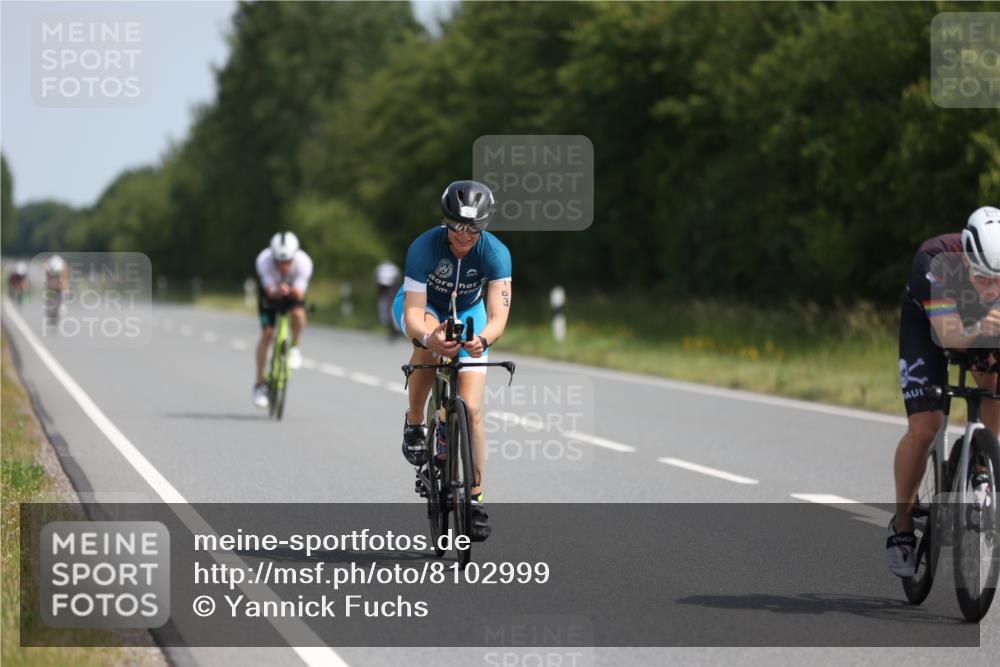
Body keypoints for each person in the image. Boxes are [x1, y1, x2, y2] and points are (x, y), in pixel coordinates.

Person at [394, 180, 512, 541]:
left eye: (474, 227)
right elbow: (414, 314)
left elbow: (498, 316)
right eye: (458, 226)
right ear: (446, 221)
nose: (465, 234)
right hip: (426, 306)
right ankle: (415, 424)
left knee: (473, 411)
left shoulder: (496, 254)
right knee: (429, 345)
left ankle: (475, 498)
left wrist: (482, 340)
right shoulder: (423, 248)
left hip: (470, 312)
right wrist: (430, 336)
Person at [890, 205, 1000, 577]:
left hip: (979, 320)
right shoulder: (934, 262)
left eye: (999, 279)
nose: (992, 287)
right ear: (967, 257)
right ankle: (903, 525)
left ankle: (984, 466)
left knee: (993, 386)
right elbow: (950, 335)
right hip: (931, 323)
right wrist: (985, 320)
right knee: (925, 427)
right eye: (984, 277)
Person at [253, 232, 313, 408]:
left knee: (298, 314)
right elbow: (269, 290)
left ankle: (295, 347)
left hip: (293, 291)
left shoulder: (304, 262)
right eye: (279, 261)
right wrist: (277, 290)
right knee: (267, 333)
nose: (283, 266)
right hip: (270, 294)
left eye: (287, 261)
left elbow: (300, 292)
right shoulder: (263, 261)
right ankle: (258, 385)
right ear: (273, 256)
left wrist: (290, 290)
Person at [374, 259, 401, 339]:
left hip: (392, 297)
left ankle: (394, 330)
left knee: (391, 312)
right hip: (386, 298)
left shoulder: (393, 276)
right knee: (385, 314)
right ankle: (391, 329)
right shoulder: (381, 277)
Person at [43, 254, 68, 322]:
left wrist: (63, 291)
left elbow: (64, 281)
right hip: (50, 272)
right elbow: (47, 281)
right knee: (50, 285)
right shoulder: (48, 267)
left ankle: (62, 303)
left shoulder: (63, 267)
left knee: (62, 284)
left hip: (60, 274)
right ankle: (49, 302)